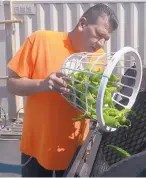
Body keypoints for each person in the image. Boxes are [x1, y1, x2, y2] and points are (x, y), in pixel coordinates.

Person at [7, 3, 118, 177]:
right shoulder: (40, 40)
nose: (101, 44)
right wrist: (42, 84)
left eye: (106, 39)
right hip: (36, 148)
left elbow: (94, 101)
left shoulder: (99, 58)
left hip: (74, 151)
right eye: (99, 35)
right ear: (82, 24)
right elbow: (12, 84)